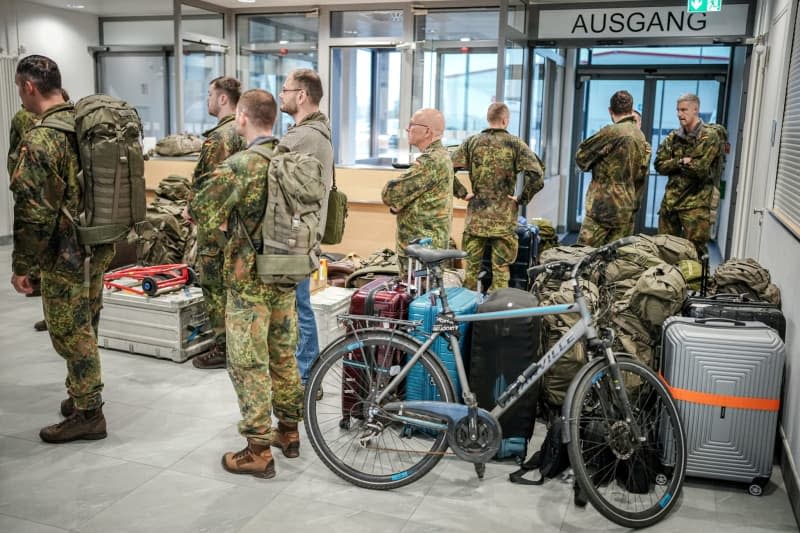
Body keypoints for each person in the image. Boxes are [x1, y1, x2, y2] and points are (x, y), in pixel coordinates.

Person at [195, 89, 304, 479]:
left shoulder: (240, 166)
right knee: (283, 356)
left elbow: (202, 211)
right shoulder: (292, 160)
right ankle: (289, 432)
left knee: (248, 363)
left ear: (242, 117)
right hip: (287, 272)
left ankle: (258, 450)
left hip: (248, 280)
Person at [10, 54, 114, 443]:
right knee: (87, 321)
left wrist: (23, 265)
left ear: (28, 87)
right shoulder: (84, 124)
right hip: (97, 243)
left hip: (65, 254)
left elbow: (33, 214)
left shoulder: (40, 139)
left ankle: (89, 413)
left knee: (71, 332)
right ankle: (81, 395)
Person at [277, 69, 334, 389]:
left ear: (301, 95)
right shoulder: (318, 131)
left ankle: (307, 374)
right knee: (301, 307)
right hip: (307, 233)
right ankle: (308, 371)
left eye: (285, 90)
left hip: (294, 238)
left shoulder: (302, 137)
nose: (281, 95)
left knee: (297, 309)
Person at [186, 76, 246, 369]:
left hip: (215, 225)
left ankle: (223, 347)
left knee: (214, 284)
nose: (207, 99)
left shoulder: (221, 137)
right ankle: (230, 340)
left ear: (223, 99)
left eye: (210, 94)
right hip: (238, 224)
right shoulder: (245, 130)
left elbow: (206, 184)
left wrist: (192, 209)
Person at [451, 102, 544, 290]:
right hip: (503, 219)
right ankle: (494, 316)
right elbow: (537, 175)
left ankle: (466, 315)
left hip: (476, 218)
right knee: (501, 271)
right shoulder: (515, 144)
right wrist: (521, 198)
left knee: (471, 273)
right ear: (505, 120)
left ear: (488, 119)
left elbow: (445, 169)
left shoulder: (472, 142)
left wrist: (462, 193)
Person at [382, 108, 454, 278]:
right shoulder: (442, 156)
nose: (408, 129)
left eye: (412, 124)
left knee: (417, 298)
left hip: (421, 249)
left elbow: (389, 193)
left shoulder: (430, 161)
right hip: (428, 245)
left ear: (427, 131)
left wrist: (398, 203)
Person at [575, 90, 649, 246]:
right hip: (626, 207)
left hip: (602, 206)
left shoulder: (610, 132)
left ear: (610, 110)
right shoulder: (640, 137)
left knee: (582, 255)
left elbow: (581, 158)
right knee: (615, 257)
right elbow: (641, 175)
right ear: (631, 109)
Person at [654, 93, 723, 257]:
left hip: (695, 206)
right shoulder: (673, 137)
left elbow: (699, 169)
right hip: (671, 203)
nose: (679, 114)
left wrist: (674, 163)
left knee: (695, 253)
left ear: (696, 110)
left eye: (684, 110)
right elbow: (658, 165)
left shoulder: (709, 136)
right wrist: (681, 162)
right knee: (663, 249)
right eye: (678, 110)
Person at [7, 105, 49, 332]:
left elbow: (15, 158)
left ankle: (54, 317)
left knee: (47, 261)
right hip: (51, 198)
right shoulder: (67, 115)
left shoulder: (24, 118)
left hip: (38, 197)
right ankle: (53, 317)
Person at [631, 109, 653, 220]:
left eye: (634, 121)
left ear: (640, 124)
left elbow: (639, 173)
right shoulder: (615, 142)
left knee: (624, 237)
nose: (631, 125)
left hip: (629, 202)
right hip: (607, 202)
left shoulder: (645, 147)